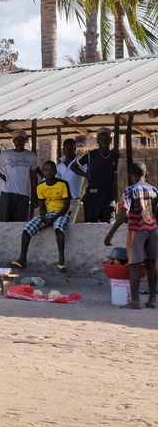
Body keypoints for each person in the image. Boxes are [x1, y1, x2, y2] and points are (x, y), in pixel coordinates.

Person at [104, 162, 158, 309]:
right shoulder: (154, 190)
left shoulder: (130, 191)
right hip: (153, 230)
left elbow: (122, 215)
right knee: (151, 264)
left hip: (137, 231)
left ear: (131, 175)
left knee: (134, 265)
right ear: (145, 174)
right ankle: (152, 299)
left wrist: (110, 234)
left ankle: (135, 301)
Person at [13, 160, 70, 271]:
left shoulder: (63, 184)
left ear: (55, 171)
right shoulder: (40, 187)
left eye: (51, 170)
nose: (48, 172)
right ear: (43, 172)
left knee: (58, 229)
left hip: (61, 213)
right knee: (26, 230)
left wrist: (53, 219)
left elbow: (66, 206)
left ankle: (61, 261)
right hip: (47, 214)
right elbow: (42, 206)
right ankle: (22, 259)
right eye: (45, 170)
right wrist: (44, 218)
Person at [0, 131, 37, 222]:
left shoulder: (31, 156)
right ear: (13, 141)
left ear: (25, 141)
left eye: (21, 139)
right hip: (7, 193)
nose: (19, 142)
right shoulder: (6, 154)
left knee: (20, 222)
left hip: (23, 194)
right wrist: (0, 175)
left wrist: (34, 194)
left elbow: (33, 176)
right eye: (16, 140)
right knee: (5, 221)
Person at [80, 128, 120, 223]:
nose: (104, 141)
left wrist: (116, 199)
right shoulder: (91, 155)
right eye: (101, 139)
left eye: (106, 139)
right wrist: (86, 175)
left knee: (108, 225)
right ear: (98, 141)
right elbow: (74, 166)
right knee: (90, 225)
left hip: (108, 197)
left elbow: (116, 175)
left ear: (110, 140)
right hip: (93, 197)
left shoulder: (114, 155)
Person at [56, 138, 86, 221]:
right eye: (66, 147)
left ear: (75, 149)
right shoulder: (59, 166)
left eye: (71, 147)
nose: (69, 150)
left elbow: (87, 177)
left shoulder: (81, 163)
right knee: (60, 222)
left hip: (74, 199)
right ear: (63, 149)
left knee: (70, 223)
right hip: (61, 199)